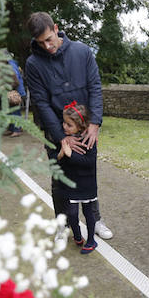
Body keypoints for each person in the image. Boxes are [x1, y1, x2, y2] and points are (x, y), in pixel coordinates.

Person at [24, 12, 113, 240]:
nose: (47, 46)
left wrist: (94, 123)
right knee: (59, 178)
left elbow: (94, 87)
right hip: (56, 132)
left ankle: (96, 219)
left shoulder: (82, 51)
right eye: (41, 43)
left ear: (56, 28)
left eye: (49, 39)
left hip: (85, 129)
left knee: (87, 174)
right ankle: (62, 224)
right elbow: (41, 103)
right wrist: (60, 137)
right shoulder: (33, 64)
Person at [57, 102, 99, 254]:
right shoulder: (66, 140)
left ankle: (91, 240)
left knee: (89, 213)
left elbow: (89, 163)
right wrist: (61, 154)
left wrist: (70, 154)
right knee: (72, 213)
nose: (64, 127)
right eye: (64, 123)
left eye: (69, 125)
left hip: (87, 183)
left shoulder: (90, 141)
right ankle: (77, 235)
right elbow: (60, 162)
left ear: (80, 126)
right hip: (71, 184)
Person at [4, 58, 27, 138]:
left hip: (15, 92)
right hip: (13, 91)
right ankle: (12, 128)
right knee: (10, 110)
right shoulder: (7, 65)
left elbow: (16, 81)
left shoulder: (11, 66)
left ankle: (17, 129)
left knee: (15, 110)